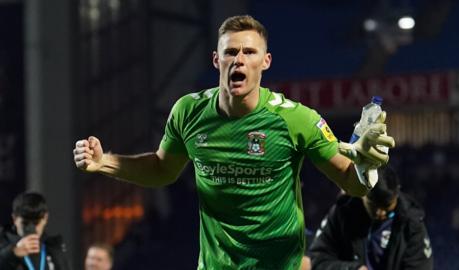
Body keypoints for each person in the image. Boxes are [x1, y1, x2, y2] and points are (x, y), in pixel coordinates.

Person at [73, 15, 395, 269]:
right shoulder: (189, 111)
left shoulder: (296, 119)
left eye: (249, 52)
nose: (239, 59)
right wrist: (105, 162)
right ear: (217, 60)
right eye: (231, 51)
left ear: (265, 61)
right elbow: (161, 169)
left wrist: (367, 167)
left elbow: (352, 184)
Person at [307, 165, 433, 270]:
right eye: (374, 205)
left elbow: (420, 267)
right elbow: (317, 259)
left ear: (396, 195)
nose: (380, 212)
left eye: (386, 206)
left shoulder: (411, 223)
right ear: (363, 195)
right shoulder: (343, 212)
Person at [0, 192, 71, 270]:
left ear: (45, 218)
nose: (31, 228)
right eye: (25, 223)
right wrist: (12, 254)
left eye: (36, 223)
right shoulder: (3, 242)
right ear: (14, 218)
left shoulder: (53, 247)